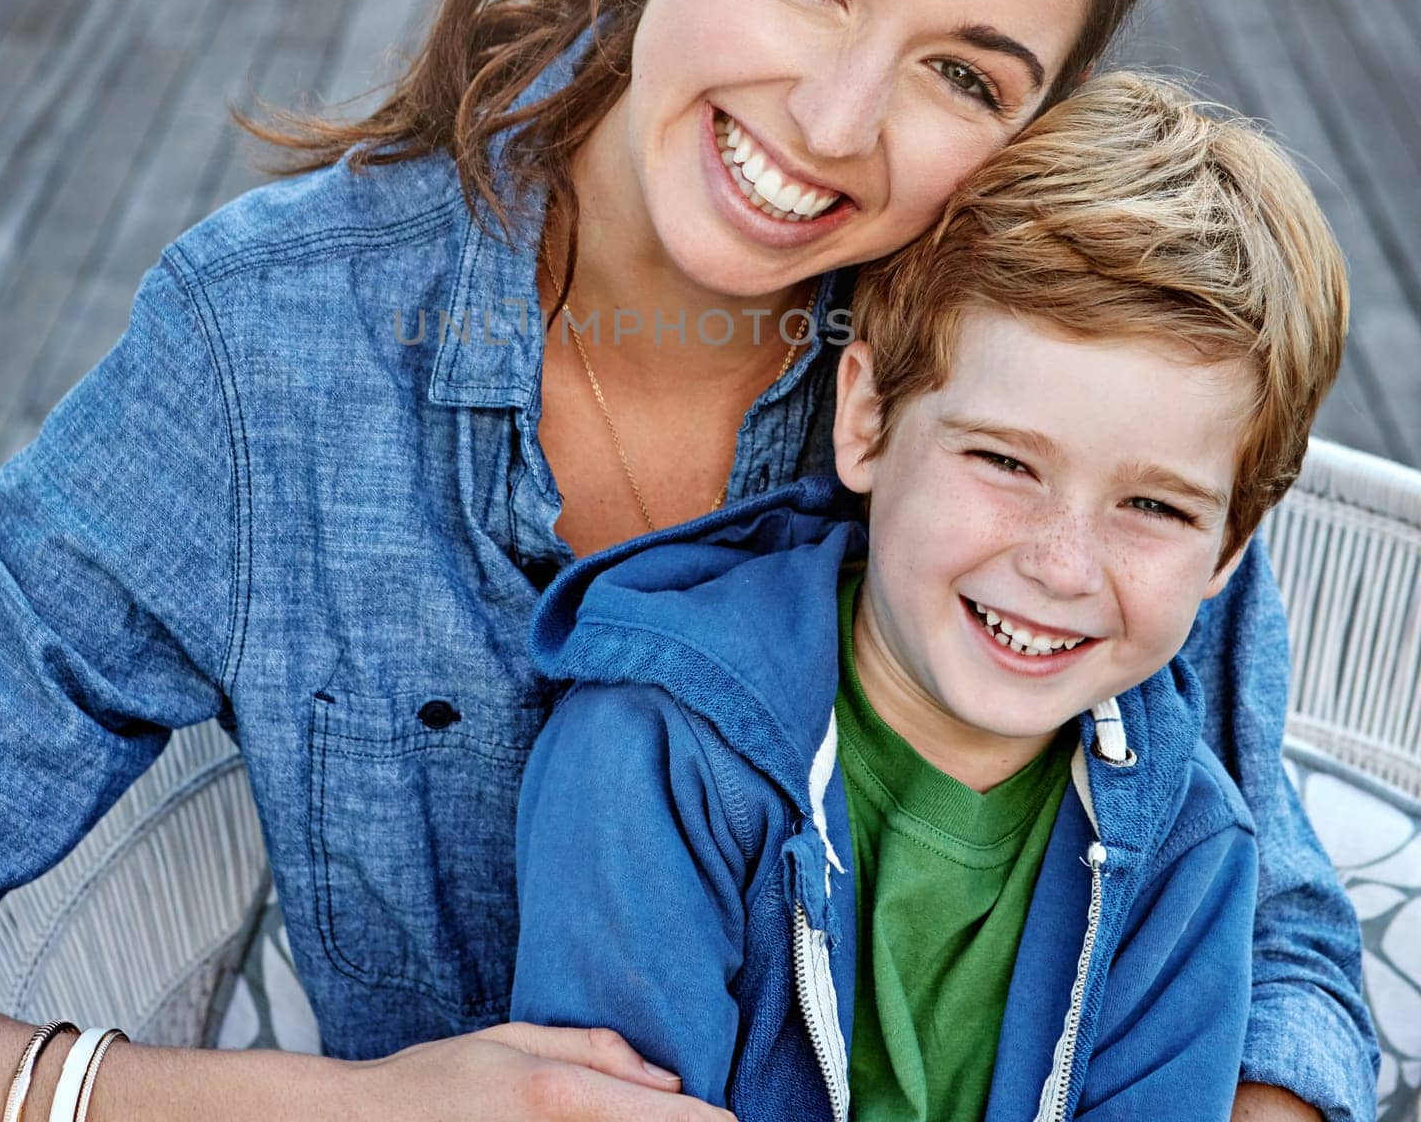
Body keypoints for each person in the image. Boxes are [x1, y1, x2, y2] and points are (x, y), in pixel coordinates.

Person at [0, 0, 1373, 1122]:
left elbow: (1266, 913)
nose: (834, 121)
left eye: (962, 71)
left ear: (1035, 122)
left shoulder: (1055, 378)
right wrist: (341, 1112)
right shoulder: (274, 354)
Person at [510, 72, 1356, 1122]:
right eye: (1005, 461)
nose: (1060, 564)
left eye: (1152, 506)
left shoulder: (1189, 853)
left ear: (1229, 551)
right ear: (863, 419)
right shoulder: (658, 753)